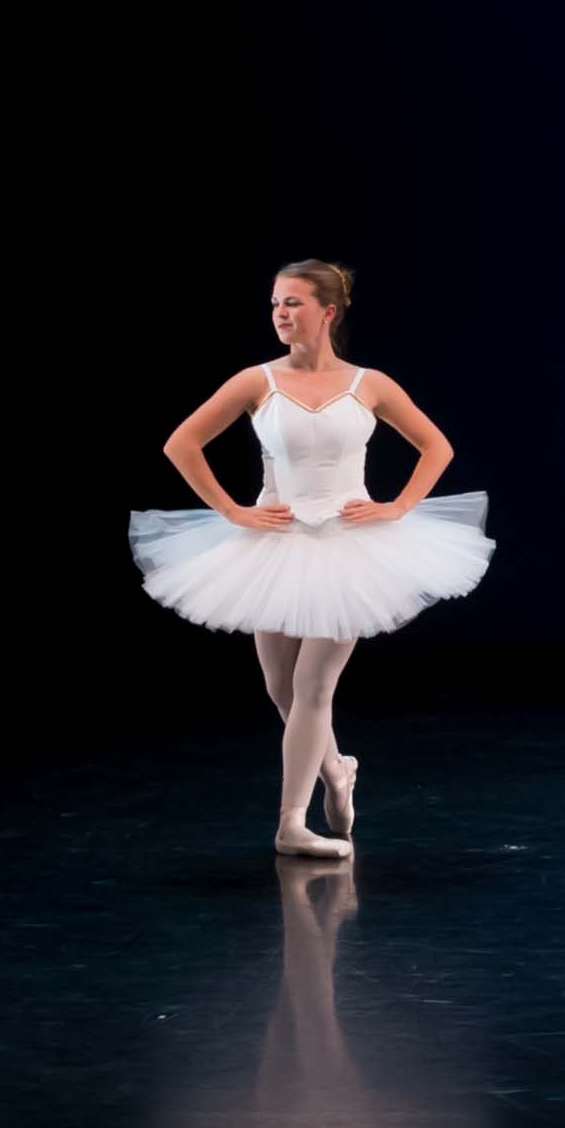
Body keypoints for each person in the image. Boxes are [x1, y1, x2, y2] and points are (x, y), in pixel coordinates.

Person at [130, 261, 493, 856]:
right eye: (275, 302)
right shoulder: (257, 381)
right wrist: (233, 511)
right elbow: (182, 443)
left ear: (328, 312)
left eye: (293, 302)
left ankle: (291, 824)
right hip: (274, 540)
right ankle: (336, 768)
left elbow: (437, 446)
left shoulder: (369, 383)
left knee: (312, 686)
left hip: (346, 549)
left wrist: (398, 506)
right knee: (281, 688)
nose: (280, 312)